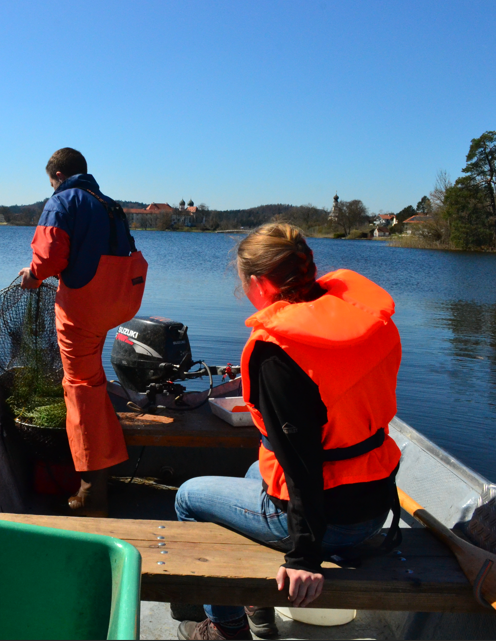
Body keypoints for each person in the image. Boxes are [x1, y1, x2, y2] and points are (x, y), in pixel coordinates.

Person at [174, 223, 402, 641]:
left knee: (188, 496)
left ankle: (224, 629)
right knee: (251, 473)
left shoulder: (279, 355)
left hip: (333, 519)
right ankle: (257, 610)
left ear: (259, 284)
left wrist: (304, 559)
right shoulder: (371, 323)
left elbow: (302, 468)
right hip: (376, 500)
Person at [19, 148, 148, 516]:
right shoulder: (109, 204)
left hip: (85, 307)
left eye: (50, 181)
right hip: (119, 302)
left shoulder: (62, 201)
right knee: (91, 378)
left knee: (78, 389)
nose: (51, 187)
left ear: (58, 174)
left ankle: (92, 490)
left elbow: (50, 258)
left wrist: (33, 276)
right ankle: (110, 460)